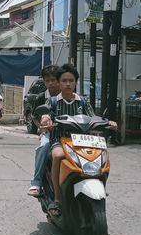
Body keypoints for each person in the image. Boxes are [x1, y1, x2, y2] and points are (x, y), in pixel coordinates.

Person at [45, 64, 117, 216]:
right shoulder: (52, 102)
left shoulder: (83, 102)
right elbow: (44, 115)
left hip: (82, 141)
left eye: (71, 80)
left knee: (102, 155)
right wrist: (45, 119)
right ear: (59, 83)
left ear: (76, 82)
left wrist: (108, 122)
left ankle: (100, 185)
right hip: (60, 140)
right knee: (57, 155)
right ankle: (57, 199)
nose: (68, 84)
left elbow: (93, 117)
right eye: (64, 80)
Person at [27, 65, 64, 199]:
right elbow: (35, 116)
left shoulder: (70, 96)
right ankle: (36, 183)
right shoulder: (42, 97)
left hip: (69, 134)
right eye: (47, 80)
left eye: (53, 80)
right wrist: (42, 128)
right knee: (44, 146)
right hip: (50, 133)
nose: (51, 83)